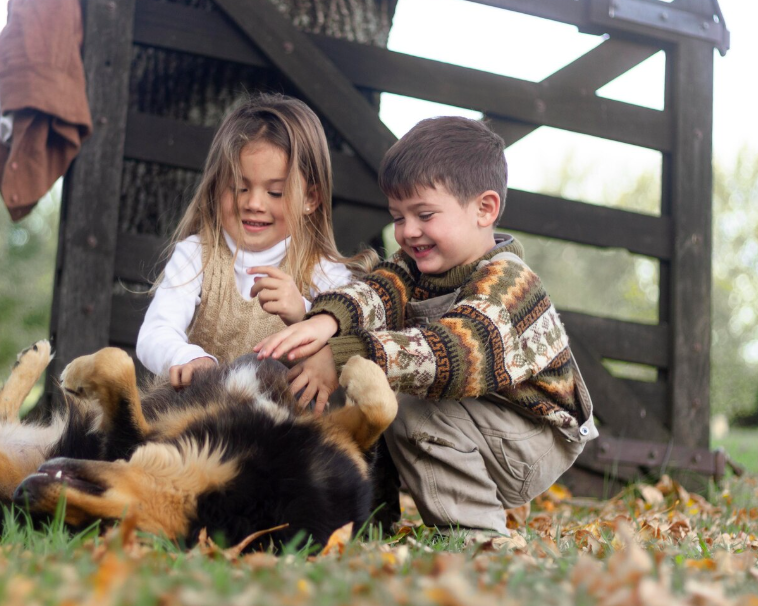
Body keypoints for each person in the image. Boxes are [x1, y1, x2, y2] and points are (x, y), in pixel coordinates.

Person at [255, 116, 597, 535]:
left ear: (484, 209)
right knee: (375, 387)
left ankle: (477, 537)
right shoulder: (414, 267)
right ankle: (367, 520)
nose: (408, 232)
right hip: (482, 421)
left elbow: (449, 354)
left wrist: (342, 355)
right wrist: (326, 323)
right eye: (398, 217)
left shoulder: (510, 283)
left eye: (425, 214)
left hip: (534, 438)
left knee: (404, 395)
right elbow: (376, 292)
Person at [137, 94, 368, 406]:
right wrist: (186, 357)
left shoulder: (322, 271)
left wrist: (304, 313)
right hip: (197, 419)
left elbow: (357, 345)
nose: (254, 204)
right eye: (238, 187)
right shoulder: (197, 255)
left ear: (310, 198)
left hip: (278, 429)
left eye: (275, 192)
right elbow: (155, 331)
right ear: (217, 185)